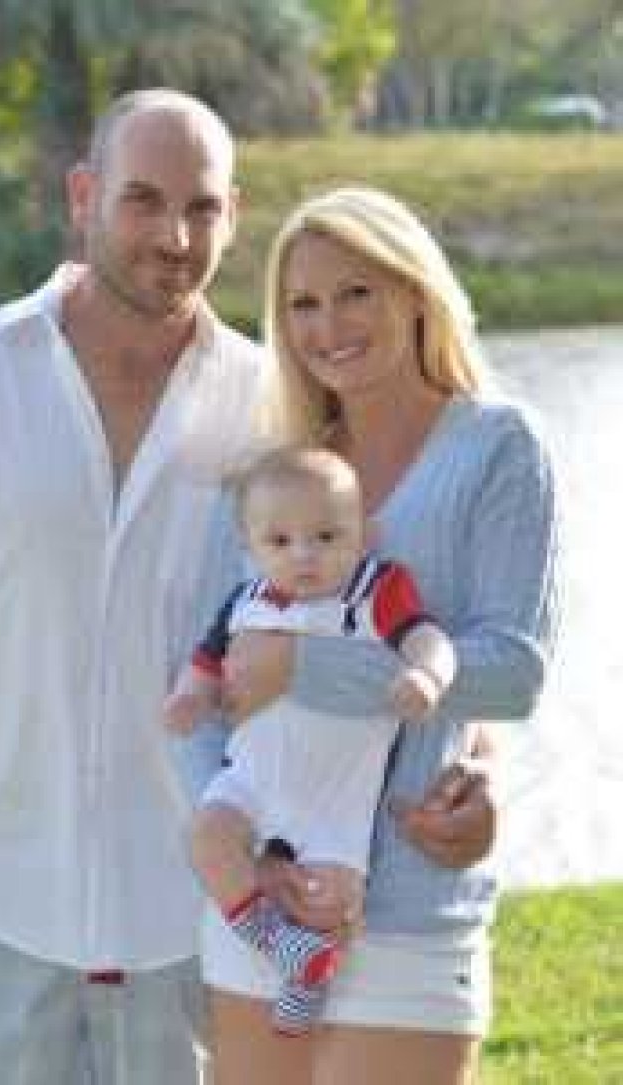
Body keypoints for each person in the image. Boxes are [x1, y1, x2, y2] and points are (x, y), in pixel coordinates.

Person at [0, 85, 500, 1082]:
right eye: (143, 200)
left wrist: (474, 764)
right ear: (83, 195)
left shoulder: (278, 407)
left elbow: (395, 601)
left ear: (234, 215)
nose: (174, 236)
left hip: (207, 919)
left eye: (202, 207)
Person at [200, 187, 561, 1085]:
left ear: (414, 288)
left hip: (407, 908)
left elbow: (512, 672)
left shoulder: (499, 446)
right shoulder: (271, 476)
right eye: (303, 303)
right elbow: (210, 683)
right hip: (262, 912)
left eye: (356, 291)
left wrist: (306, 666)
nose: (329, 326)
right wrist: (241, 856)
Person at [166, 445, 457, 1034]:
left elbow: (432, 640)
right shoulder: (245, 601)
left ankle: (308, 973)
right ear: (251, 547)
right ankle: (278, 943)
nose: (304, 555)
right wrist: (190, 697)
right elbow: (206, 662)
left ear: (363, 534)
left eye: (326, 536)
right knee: (207, 837)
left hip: (336, 796)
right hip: (251, 780)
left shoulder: (376, 591)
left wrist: (426, 675)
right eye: (280, 541)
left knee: (330, 899)